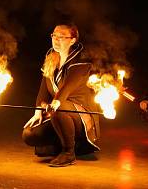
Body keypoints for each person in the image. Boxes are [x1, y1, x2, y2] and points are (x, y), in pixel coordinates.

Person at [22, 24, 101, 167]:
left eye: (62, 37)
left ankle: (68, 153)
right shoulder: (51, 56)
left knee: (60, 108)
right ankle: (61, 144)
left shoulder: (81, 59)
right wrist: (38, 110)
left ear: (73, 40)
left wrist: (56, 103)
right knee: (29, 134)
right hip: (57, 111)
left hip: (79, 114)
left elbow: (68, 86)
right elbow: (44, 88)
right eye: (54, 36)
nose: (56, 40)